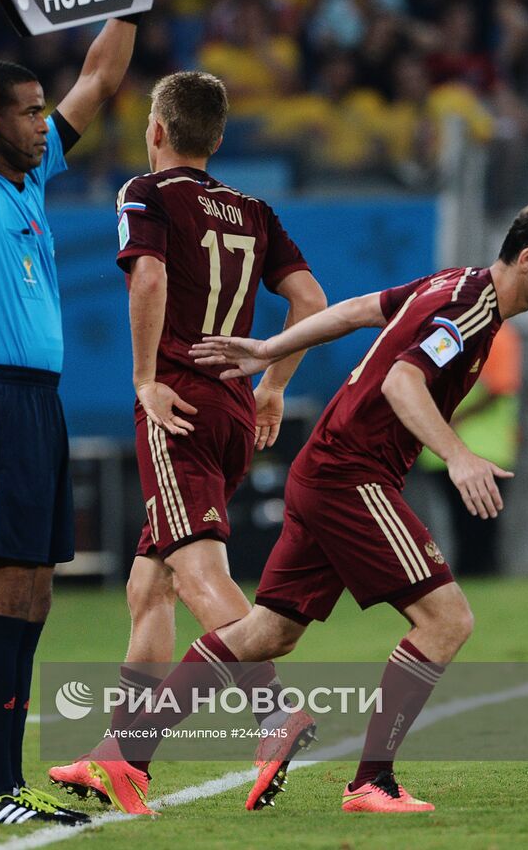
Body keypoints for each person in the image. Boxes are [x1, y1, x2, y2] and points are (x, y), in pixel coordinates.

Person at [103, 200, 528, 814]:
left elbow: (359, 311)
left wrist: (270, 350)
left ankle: (128, 753)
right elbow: (400, 382)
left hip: (325, 468)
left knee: (268, 632)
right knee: (447, 621)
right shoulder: (470, 307)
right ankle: (372, 781)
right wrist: (459, 455)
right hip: (352, 474)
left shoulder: (454, 284)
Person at [0, 0, 176, 829]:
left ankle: (6, 782)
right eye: (28, 113)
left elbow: (104, 77)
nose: (45, 122)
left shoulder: (30, 183)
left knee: (33, 594)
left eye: (41, 111)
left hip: (37, 402)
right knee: (1, 591)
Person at [49, 70, 326, 814]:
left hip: (176, 408)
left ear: (158, 131)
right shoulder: (255, 209)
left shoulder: (146, 192)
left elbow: (147, 281)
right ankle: (124, 759)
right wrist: (270, 383)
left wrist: (145, 380)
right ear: (220, 137)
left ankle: (277, 716)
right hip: (234, 410)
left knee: (200, 577)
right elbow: (309, 302)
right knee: (151, 585)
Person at [418, 320, 522, 574]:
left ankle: (471, 577)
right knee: (478, 525)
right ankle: (478, 576)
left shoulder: (442, 332)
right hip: (481, 448)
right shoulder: (497, 333)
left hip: (444, 448)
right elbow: (501, 386)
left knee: (466, 524)